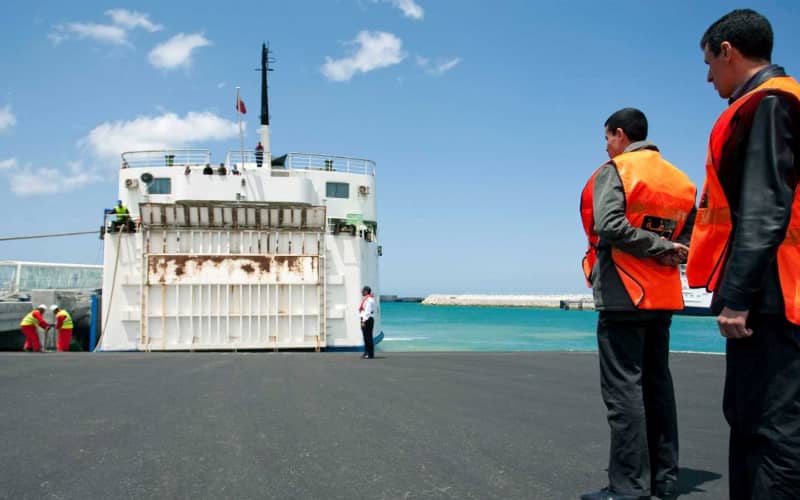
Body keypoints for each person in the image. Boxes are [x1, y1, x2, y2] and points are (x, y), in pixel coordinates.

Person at [686, 9, 800, 499]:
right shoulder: (777, 102)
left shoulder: (767, 104)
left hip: (775, 294)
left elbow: (765, 205)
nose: (709, 76)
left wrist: (737, 296)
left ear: (728, 51)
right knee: (755, 421)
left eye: (710, 63)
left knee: (768, 430)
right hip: (776, 289)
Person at [579, 108, 697, 500]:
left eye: (608, 138)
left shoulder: (617, 170)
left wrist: (658, 247)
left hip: (623, 294)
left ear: (619, 134)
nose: (606, 147)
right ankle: (664, 480)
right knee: (657, 387)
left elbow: (608, 225)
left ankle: (627, 486)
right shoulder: (681, 181)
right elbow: (692, 235)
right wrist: (668, 249)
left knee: (623, 392)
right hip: (662, 295)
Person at [359, 286, 376, 359]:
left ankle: (370, 354)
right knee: (366, 337)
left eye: (363, 290)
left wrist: (363, 321)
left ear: (366, 291)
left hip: (367, 319)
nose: (362, 292)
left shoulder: (369, 300)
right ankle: (366, 353)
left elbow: (367, 311)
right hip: (367, 319)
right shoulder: (367, 299)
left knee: (368, 337)